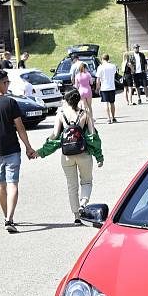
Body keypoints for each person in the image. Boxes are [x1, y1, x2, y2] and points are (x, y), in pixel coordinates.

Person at [0, 70, 37, 233]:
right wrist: (28, 147)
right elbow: (20, 128)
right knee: (12, 184)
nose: (8, 85)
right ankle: (9, 218)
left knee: (0, 185)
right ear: (2, 83)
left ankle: (6, 217)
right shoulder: (10, 103)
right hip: (12, 150)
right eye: (7, 83)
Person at [36, 90, 103, 224]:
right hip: (84, 154)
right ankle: (83, 204)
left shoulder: (60, 114)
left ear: (66, 101)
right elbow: (92, 137)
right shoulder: (85, 114)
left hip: (67, 156)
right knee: (87, 182)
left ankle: (76, 216)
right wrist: (99, 156)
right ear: (78, 100)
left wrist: (41, 150)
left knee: (72, 186)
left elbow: (55, 136)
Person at [96, 53, 118, 123]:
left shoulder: (100, 67)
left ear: (102, 59)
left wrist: (97, 87)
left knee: (106, 103)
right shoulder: (113, 66)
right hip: (112, 86)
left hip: (104, 87)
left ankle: (108, 118)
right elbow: (114, 74)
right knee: (112, 103)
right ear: (108, 59)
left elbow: (98, 79)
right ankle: (113, 117)